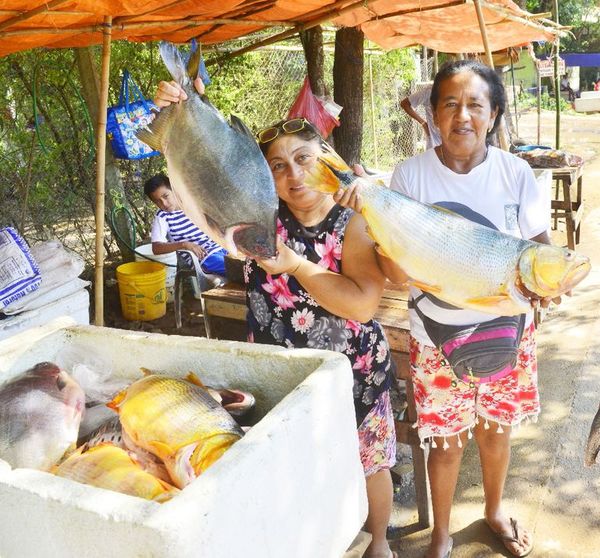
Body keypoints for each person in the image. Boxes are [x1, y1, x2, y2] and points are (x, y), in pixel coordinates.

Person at [154, 82, 398, 558]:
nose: (294, 175)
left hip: (354, 374)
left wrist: (296, 266)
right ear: (262, 177)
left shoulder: (356, 220)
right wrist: (182, 111)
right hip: (280, 369)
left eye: (304, 158)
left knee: (367, 462)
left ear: (325, 156)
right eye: (278, 166)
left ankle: (380, 545)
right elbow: (203, 168)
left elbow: (362, 305)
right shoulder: (252, 216)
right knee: (297, 462)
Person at [340, 59, 559, 558]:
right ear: (434, 115)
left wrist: (549, 283)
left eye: (475, 105)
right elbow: (396, 274)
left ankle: (493, 510)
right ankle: (441, 532)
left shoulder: (516, 172)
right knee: (445, 442)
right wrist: (369, 215)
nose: (463, 116)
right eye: (450, 104)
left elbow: (540, 245)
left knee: (496, 432)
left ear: (494, 113)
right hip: (435, 337)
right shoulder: (411, 175)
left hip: (508, 333)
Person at [144, 173, 227, 277]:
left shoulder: (192, 203)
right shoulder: (162, 216)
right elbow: (156, 248)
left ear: (173, 190)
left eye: (166, 196)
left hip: (223, 247)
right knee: (241, 270)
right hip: (205, 257)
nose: (164, 203)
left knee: (249, 264)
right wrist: (184, 244)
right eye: (158, 201)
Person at [400, 84, 442, 149]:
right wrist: (423, 124)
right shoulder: (430, 91)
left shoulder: (458, 91)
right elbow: (405, 104)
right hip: (435, 141)